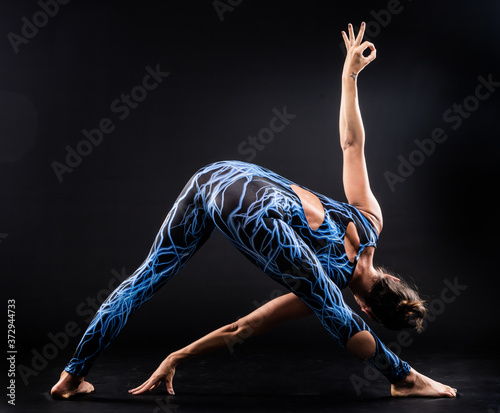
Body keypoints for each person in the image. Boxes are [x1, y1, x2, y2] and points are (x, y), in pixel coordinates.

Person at [51, 23, 457, 399]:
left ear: (391, 276)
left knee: (144, 279)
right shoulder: (323, 287)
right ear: (367, 309)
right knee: (326, 299)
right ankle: (403, 377)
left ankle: (71, 376)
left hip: (217, 175)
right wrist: (179, 356)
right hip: (251, 212)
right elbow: (243, 328)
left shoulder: (370, 220)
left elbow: (352, 145)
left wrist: (349, 76)